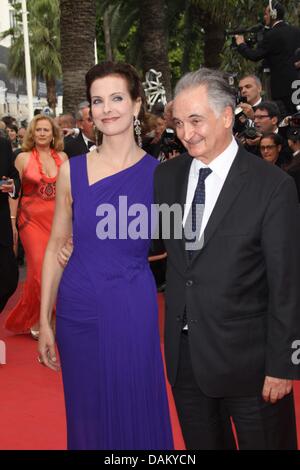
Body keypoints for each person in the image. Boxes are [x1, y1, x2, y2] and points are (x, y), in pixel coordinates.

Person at [153, 67, 300, 450]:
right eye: (180, 122)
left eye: (196, 120)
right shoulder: (167, 178)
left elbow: (288, 283)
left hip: (252, 369)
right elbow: (158, 244)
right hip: (186, 362)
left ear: (226, 115)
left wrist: (284, 365)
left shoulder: (273, 186)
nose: (186, 133)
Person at [38, 61, 173, 450]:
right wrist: (44, 320)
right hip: (77, 304)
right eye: (98, 101)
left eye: (117, 98)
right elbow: (54, 245)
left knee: (136, 400)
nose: (107, 108)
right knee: (87, 409)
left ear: (135, 104)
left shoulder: (159, 175)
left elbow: (176, 241)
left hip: (132, 303)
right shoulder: (71, 170)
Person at [4, 115, 67, 338]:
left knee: (56, 268)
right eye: (38, 130)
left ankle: (45, 317)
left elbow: (69, 192)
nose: (42, 133)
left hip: (58, 221)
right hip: (30, 220)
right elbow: (11, 189)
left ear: (53, 134)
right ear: (32, 133)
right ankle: (45, 320)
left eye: (46, 130)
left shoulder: (63, 157)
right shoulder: (21, 158)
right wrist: (11, 220)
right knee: (41, 267)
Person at [235, 2, 300, 114]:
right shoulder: (296, 31)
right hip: (297, 83)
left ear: (273, 15)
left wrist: (241, 44)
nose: (264, 17)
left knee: (284, 119)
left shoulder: (271, 34)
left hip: (281, 87)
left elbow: (254, 56)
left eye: (266, 14)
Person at [0, 136, 20, 313]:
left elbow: (13, 175)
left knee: (9, 280)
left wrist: (12, 186)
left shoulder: (3, 143)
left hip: (1, 225)